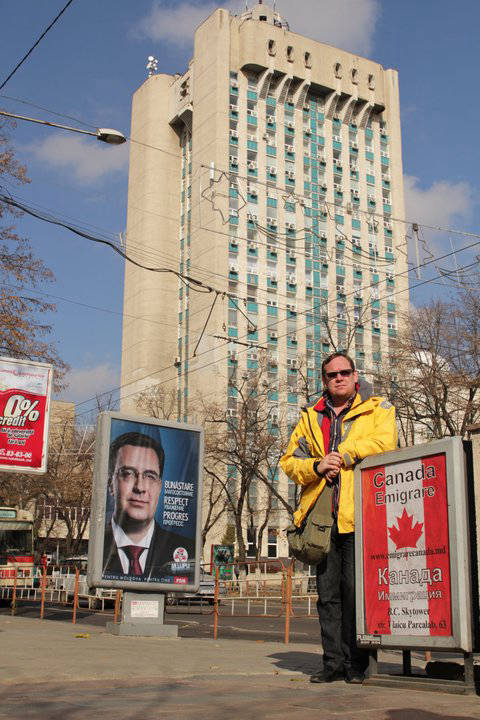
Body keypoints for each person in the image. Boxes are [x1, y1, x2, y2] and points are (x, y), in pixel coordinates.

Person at [280, 352, 397, 684]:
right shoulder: (311, 416)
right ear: (324, 380)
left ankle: (356, 663)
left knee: (355, 593)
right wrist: (317, 466)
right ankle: (332, 663)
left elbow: (385, 442)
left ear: (355, 375)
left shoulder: (378, 408)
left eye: (344, 372)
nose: (339, 378)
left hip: (362, 517)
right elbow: (289, 462)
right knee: (328, 596)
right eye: (332, 375)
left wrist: (345, 454)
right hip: (322, 521)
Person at [102, 431, 193, 582]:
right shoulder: (97, 546)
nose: (140, 487)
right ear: (111, 484)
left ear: (160, 486)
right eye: (128, 474)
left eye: (150, 476)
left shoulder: (186, 549)